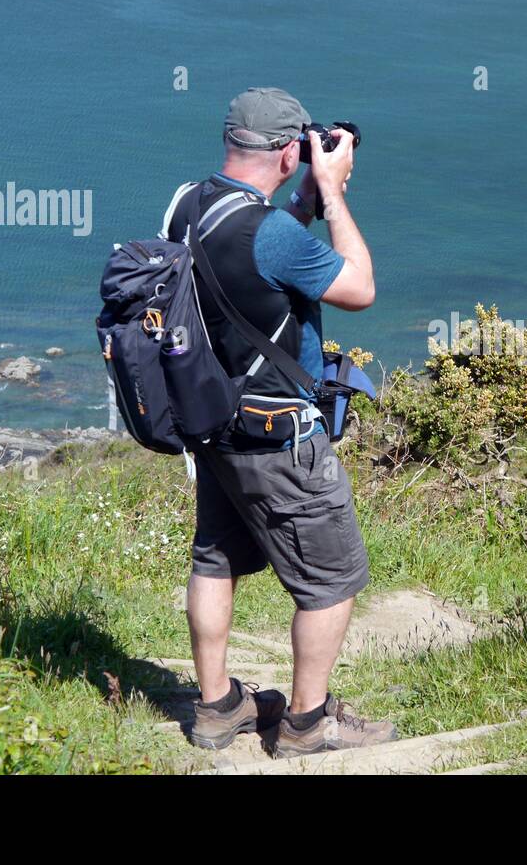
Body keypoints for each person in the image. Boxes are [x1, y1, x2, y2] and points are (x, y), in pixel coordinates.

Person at [170, 87, 393, 756]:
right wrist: (335, 194)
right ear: (291, 150)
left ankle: (215, 708)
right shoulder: (271, 235)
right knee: (331, 581)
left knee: (215, 559)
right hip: (282, 439)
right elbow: (359, 288)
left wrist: (304, 199)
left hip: (214, 425)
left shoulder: (189, 202)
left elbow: (262, 249)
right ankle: (306, 721)